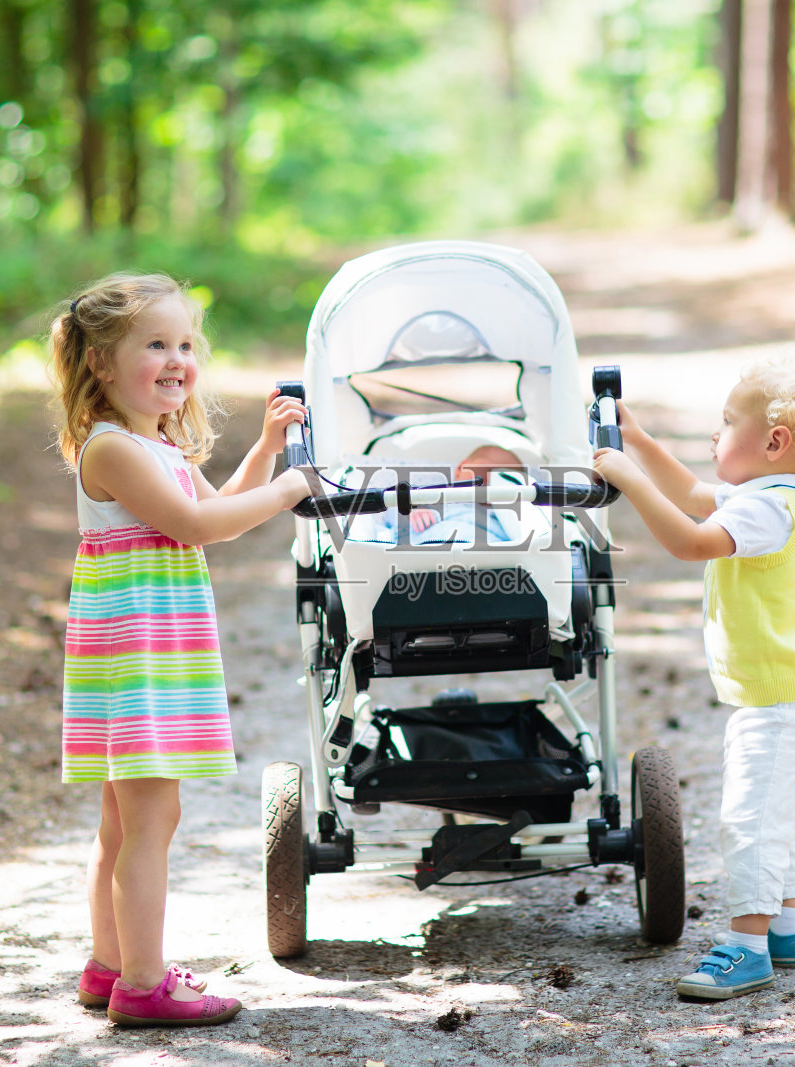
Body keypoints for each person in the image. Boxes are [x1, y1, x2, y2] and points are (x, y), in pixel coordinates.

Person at [51, 272, 311, 1026]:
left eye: (186, 344)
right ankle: (143, 981)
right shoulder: (110, 448)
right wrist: (295, 487)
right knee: (149, 822)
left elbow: (218, 508)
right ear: (101, 361)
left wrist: (267, 450)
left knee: (123, 822)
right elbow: (201, 528)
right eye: (156, 343)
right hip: (139, 658)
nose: (177, 358)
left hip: (146, 651)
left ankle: (110, 966)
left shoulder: (153, 442)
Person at [591, 358, 795, 1001]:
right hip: (778, 699)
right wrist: (641, 443)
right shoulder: (766, 497)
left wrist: (627, 477)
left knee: (752, 823)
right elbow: (695, 497)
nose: (715, 435)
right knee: (775, 818)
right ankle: (787, 929)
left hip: (780, 706)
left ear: (774, 442)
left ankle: (746, 946)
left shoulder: (768, 513)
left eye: (728, 423)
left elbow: (690, 539)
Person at [358, 444, 527, 545]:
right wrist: (411, 512)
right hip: (429, 550)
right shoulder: (431, 494)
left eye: (505, 477)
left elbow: (518, 536)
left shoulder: (505, 514)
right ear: (461, 468)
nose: (492, 479)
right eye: (488, 470)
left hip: (484, 558)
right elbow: (391, 510)